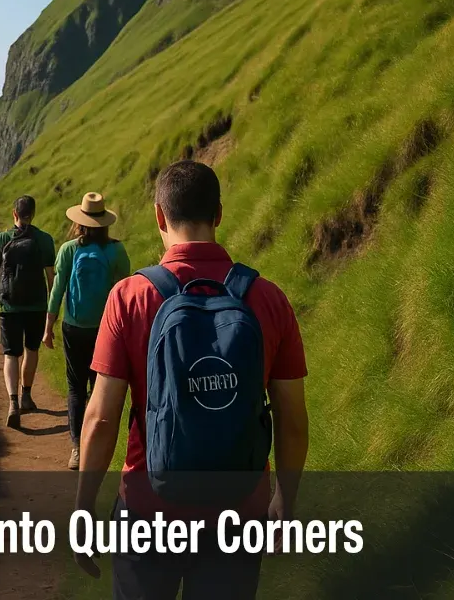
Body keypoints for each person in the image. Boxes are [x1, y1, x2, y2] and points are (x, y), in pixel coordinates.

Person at [73, 160, 310, 599]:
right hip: (239, 513)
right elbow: (292, 418)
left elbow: (101, 419)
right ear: (218, 214)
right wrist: (285, 500)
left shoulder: (129, 297)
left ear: (160, 216)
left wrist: (83, 511)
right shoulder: (268, 299)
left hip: (148, 509)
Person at [42, 192, 130, 470]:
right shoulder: (117, 250)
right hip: (105, 329)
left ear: (80, 221)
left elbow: (57, 290)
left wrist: (48, 327)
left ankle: (77, 448)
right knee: (99, 389)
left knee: (75, 388)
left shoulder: (69, 249)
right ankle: (98, 448)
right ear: (104, 222)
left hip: (74, 327)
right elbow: (124, 293)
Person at [0, 195, 56, 428]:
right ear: (33, 214)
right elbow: (51, 277)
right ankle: (26, 394)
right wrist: (51, 309)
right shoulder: (44, 240)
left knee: (10, 354)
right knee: (31, 349)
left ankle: (12, 401)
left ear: (14, 214)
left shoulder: (2, 239)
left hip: (9, 306)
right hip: (36, 306)